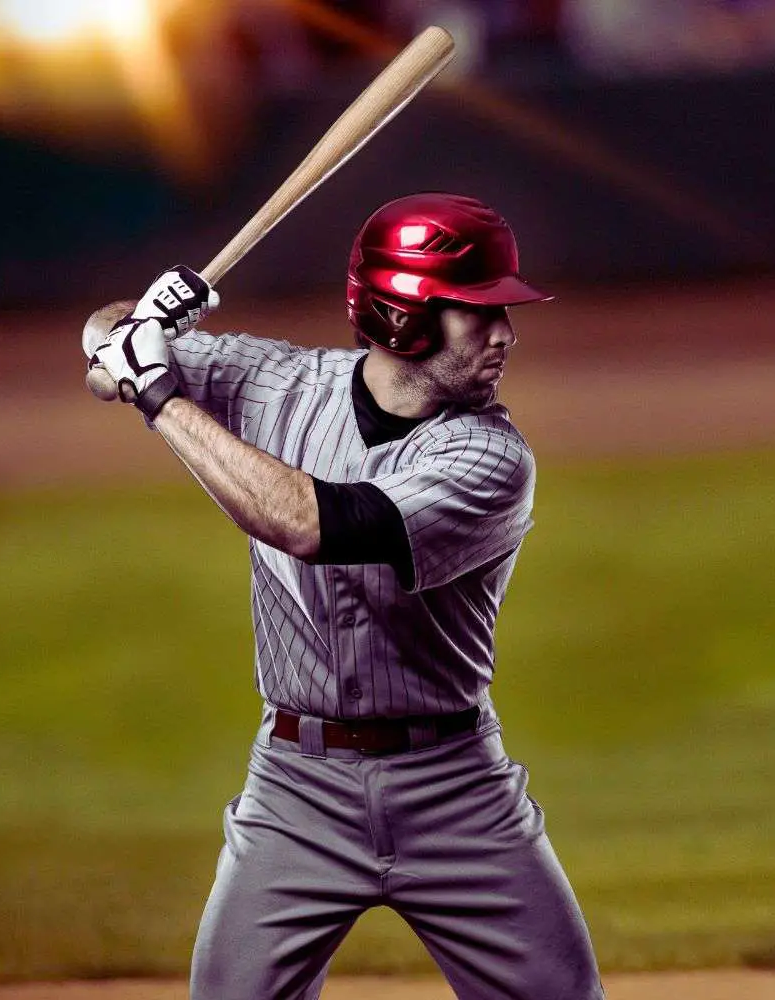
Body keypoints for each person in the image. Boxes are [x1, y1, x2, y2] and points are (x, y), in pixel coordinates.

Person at [86, 192, 605, 1000]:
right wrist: (138, 322)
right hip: (295, 790)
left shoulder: (493, 459)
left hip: (455, 787)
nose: (506, 333)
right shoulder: (281, 383)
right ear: (405, 319)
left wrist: (159, 392)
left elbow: (306, 521)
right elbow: (101, 337)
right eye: (478, 312)